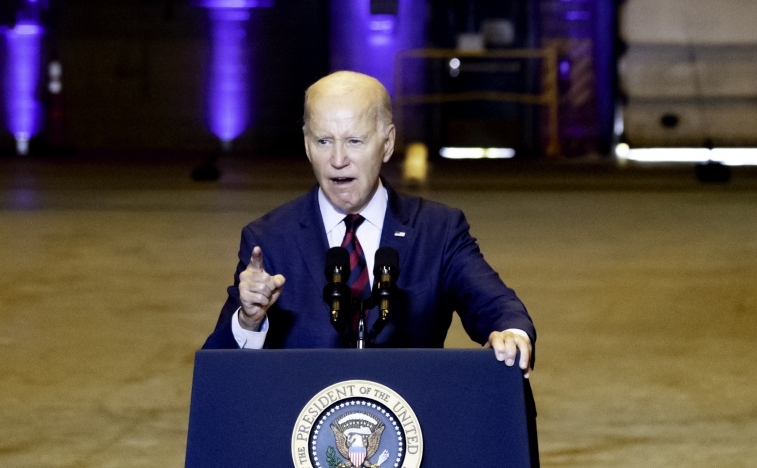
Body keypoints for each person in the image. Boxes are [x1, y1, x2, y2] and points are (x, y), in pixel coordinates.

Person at [201, 70, 535, 373]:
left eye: (354, 141)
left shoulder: (439, 230)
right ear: (306, 145)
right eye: (323, 141)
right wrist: (249, 319)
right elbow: (220, 366)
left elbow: (494, 303)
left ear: (387, 143)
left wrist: (511, 332)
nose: (338, 160)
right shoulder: (269, 238)